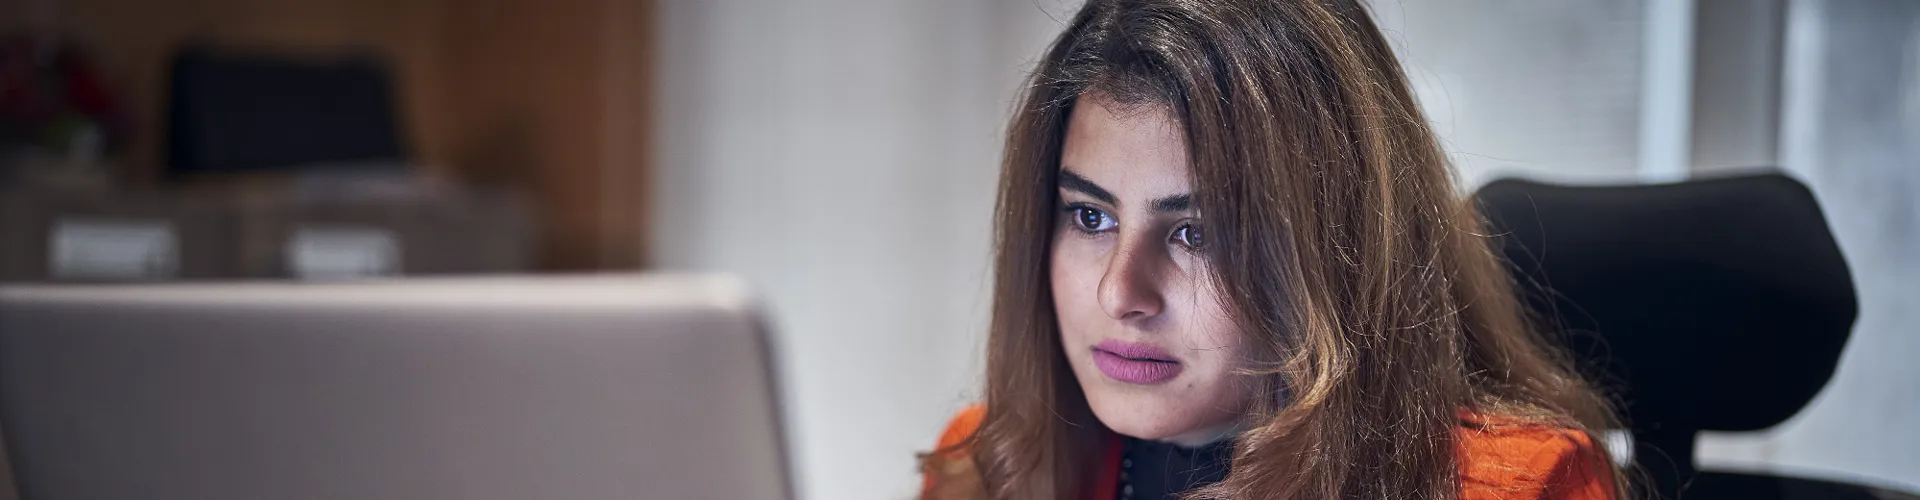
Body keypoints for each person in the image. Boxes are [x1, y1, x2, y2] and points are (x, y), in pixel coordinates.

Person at [918, 0, 1626, 498]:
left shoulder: (1519, 488)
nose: (1119, 293)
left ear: (1332, 252)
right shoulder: (989, 466)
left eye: (1198, 233)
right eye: (1091, 217)